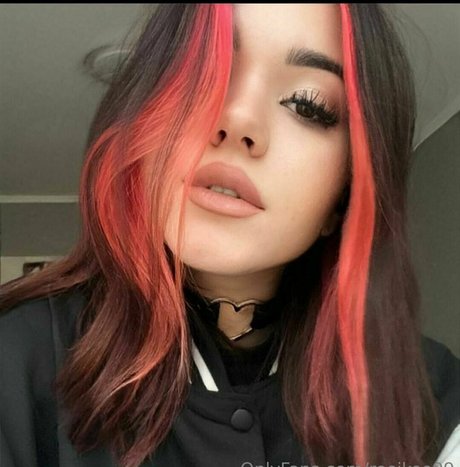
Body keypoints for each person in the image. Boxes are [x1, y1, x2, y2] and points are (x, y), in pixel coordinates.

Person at [0, 4, 459, 467]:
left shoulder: (433, 397)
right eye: (203, 73)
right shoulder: (18, 354)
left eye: (307, 104)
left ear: (345, 195)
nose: (238, 120)